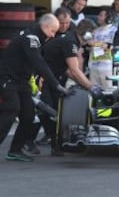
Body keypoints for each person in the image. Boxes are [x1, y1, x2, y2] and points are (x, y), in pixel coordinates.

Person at [0, 14, 70, 162]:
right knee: (13, 108)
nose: (53, 35)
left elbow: (37, 63)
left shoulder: (37, 37)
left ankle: (15, 151)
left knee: (29, 115)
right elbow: (38, 62)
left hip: (22, 81)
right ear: (46, 27)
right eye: (53, 31)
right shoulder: (31, 38)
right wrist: (57, 85)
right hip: (7, 78)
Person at [31, 18, 103, 156]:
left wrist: (85, 84)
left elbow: (67, 70)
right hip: (42, 78)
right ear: (87, 34)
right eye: (91, 35)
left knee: (54, 112)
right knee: (45, 111)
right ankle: (28, 142)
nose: (92, 38)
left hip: (52, 79)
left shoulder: (69, 40)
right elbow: (74, 70)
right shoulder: (70, 42)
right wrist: (91, 86)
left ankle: (55, 144)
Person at [88, 7, 117, 89]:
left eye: (101, 15)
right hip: (93, 66)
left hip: (107, 67)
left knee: (108, 91)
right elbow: (89, 44)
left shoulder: (114, 30)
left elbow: (110, 46)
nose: (98, 17)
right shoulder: (95, 31)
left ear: (109, 18)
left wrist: (95, 44)